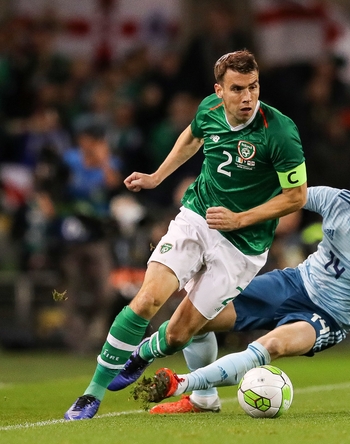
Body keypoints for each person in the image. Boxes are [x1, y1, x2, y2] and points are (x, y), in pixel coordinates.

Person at [64, 49, 308, 420]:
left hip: (243, 245)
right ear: (219, 90)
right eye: (238, 89)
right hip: (197, 216)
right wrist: (157, 176)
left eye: (254, 87)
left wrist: (241, 218)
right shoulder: (209, 108)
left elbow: (296, 196)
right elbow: (192, 137)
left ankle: (144, 353)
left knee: (179, 334)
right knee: (146, 300)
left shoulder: (280, 132)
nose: (247, 97)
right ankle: (90, 395)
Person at [131, 164, 350, 415]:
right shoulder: (338, 200)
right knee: (196, 315)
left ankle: (181, 383)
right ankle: (203, 399)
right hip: (293, 283)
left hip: (329, 316)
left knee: (272, 345)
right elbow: (285, 197)